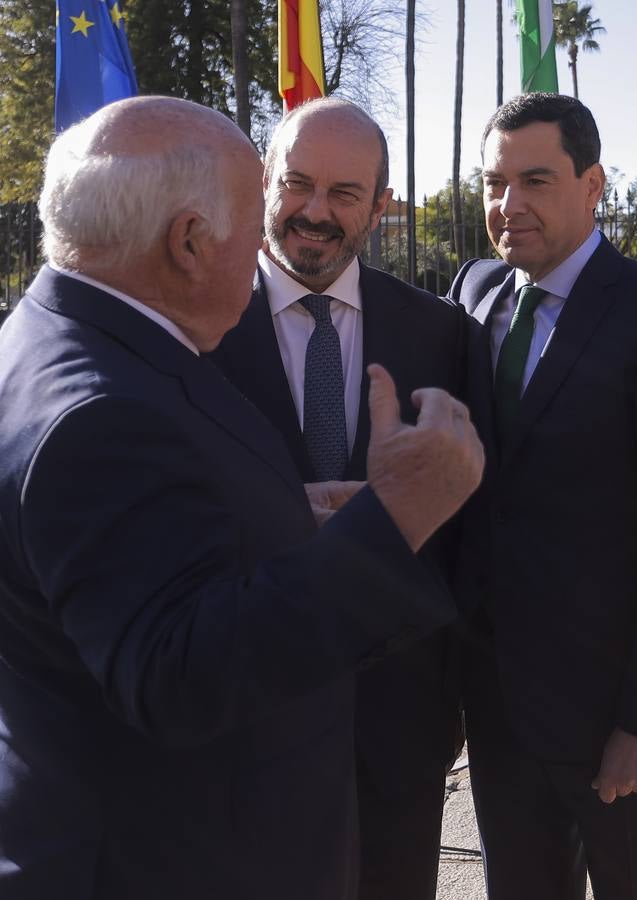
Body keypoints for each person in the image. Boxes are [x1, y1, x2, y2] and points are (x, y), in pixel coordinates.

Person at [0, 96, 484, 900]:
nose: (279, 235)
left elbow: (144, 562)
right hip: (149, 861)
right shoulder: (106, 412)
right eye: (260, 206)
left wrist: (281, 522)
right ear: (191, 241)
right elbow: (180, 676)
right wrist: (396, 514)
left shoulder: (65, 332)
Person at [447, 93, 637, 900]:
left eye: (535, 180)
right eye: (494, 183)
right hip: (499, 711)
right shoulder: (473, 297)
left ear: (593, 183)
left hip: (620, 714)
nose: (510, 205)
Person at [208, 97, 466, 900]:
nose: (313, 214)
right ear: (262, 182)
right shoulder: (192, 328)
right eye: (296, 184)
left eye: (344, 194)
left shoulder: (443, 334)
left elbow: (469, 533)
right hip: (242, 717)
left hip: (397, 721)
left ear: (381, 207)